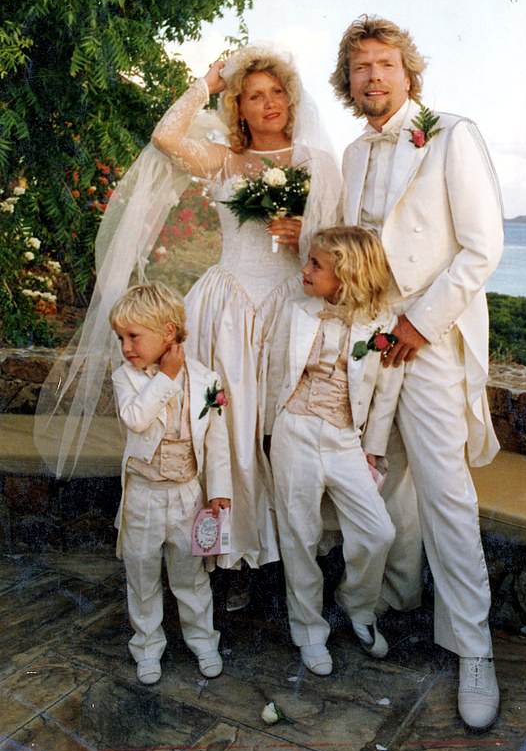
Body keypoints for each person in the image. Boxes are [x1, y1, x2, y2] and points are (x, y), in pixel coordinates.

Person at [34, 45, 340, 601]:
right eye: (253, 96)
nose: (268, 103)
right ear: (238, 107)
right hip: (226, 308)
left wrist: (307, 234)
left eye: (276, 92)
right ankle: (228, 555)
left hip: (290, 309)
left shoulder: (318, 163)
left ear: (291, 98)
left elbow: (339, 245)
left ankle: (285, 558)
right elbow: (165, 139)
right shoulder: (224, 160)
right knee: (224, 429)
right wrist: (206, 83)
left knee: (283, 432)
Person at [331, 15, 504, 730]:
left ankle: (474, 649)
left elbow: (482, 248)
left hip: (428, 336)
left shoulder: (452, 135)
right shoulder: (351, 154)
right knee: (381, 476)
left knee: (444, 489)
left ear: (409, 73)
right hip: (369, 335)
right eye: (361, 66)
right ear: (348, 81)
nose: (373, 76)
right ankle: (390, 602)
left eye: (385, 63)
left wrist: (419, 323)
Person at [270, 226, 401, 676]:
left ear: (345, 276)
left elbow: (385, 394)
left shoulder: (382, 326)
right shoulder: (297, 312)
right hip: (295, 430)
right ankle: (308, 629)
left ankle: (357, 606)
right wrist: (268, 431)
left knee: (378, 532)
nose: (304, 270)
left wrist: (372, 450)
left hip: (345, 439)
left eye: (316, 264)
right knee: (300, 535)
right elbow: (273, 372)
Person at [108, 282, 232, 685]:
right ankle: (147, 646)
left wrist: (219, 491)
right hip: (143, 495)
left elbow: (216, 441)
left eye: (133, 336)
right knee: (142, 576)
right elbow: (137, 419)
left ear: (167, 331)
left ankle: (203, 641)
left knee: (190, 576)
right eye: (121, 338)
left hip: (187, 495)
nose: (126, 347)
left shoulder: (207, 379)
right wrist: (166, 377)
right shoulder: (125, 378)